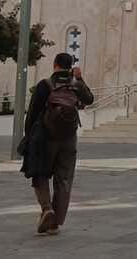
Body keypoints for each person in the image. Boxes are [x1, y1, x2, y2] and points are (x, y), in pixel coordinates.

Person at [20, 52, 94, 235]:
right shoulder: (75, 84)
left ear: (55, 65)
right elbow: (89, 99)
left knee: (40, 172)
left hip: (46, 137)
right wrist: (79, 78)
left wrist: (29, 137)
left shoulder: (45, 84)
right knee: (64, 179)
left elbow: (32, 114)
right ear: (70, 66)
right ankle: (55, 223)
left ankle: (47, 209)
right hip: (69, 139)